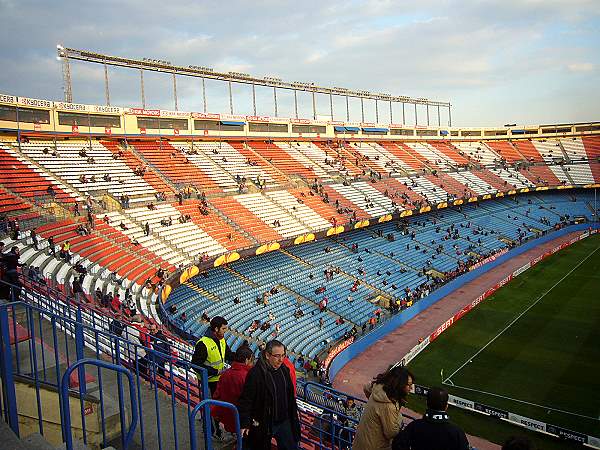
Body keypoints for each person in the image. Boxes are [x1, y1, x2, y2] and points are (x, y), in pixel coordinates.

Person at [238, 339, 300, 450]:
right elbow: (246, 400)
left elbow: (289, 395)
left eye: (283, 355)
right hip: (265, 422)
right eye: (277, 356)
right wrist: (245, 423)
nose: (281, 360)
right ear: (267, 355)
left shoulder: (284, 370)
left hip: (284, 420)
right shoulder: (256, 374)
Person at [191, 316, 234, 439]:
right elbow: (195, 364)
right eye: (224, 329)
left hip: (218, 381)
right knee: (210, 408)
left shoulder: (221, 339)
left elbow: (229, 355)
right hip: (207, 382)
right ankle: (213, 433)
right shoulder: (203, 343)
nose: (225, 331)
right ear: (216, 329)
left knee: (217, 407)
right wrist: (215, 371)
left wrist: (243, 356)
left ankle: (216, 430)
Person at [353, 365, 414, 450]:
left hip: (360, 444)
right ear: (400, 385)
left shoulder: (378, 387)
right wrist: (399, 419)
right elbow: (391, 433)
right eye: (409, 385)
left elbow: (366, 387)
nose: (411, 388)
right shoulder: (388, 405)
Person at [392, 387, 468, 450]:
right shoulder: (457, 432)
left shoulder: (414, 426)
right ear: (446, 406)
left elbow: (397, 445)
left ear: (426, 403)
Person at [212, 344, 254, 434]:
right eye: (251, 360)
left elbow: (216, 395)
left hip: (227, 416)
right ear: (247, 360)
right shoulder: (248, 376)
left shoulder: (225, 374)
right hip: (242, 420)